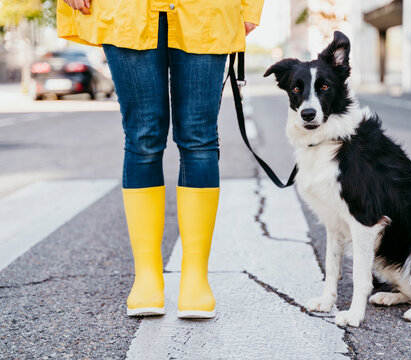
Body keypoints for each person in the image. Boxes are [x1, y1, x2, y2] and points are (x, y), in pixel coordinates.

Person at [57, 0, 264, 318]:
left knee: (199, 139)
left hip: (207, 9)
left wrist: (250, 9)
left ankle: (195, 278)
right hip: (127, 8)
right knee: (142, 138)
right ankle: (147, 277)